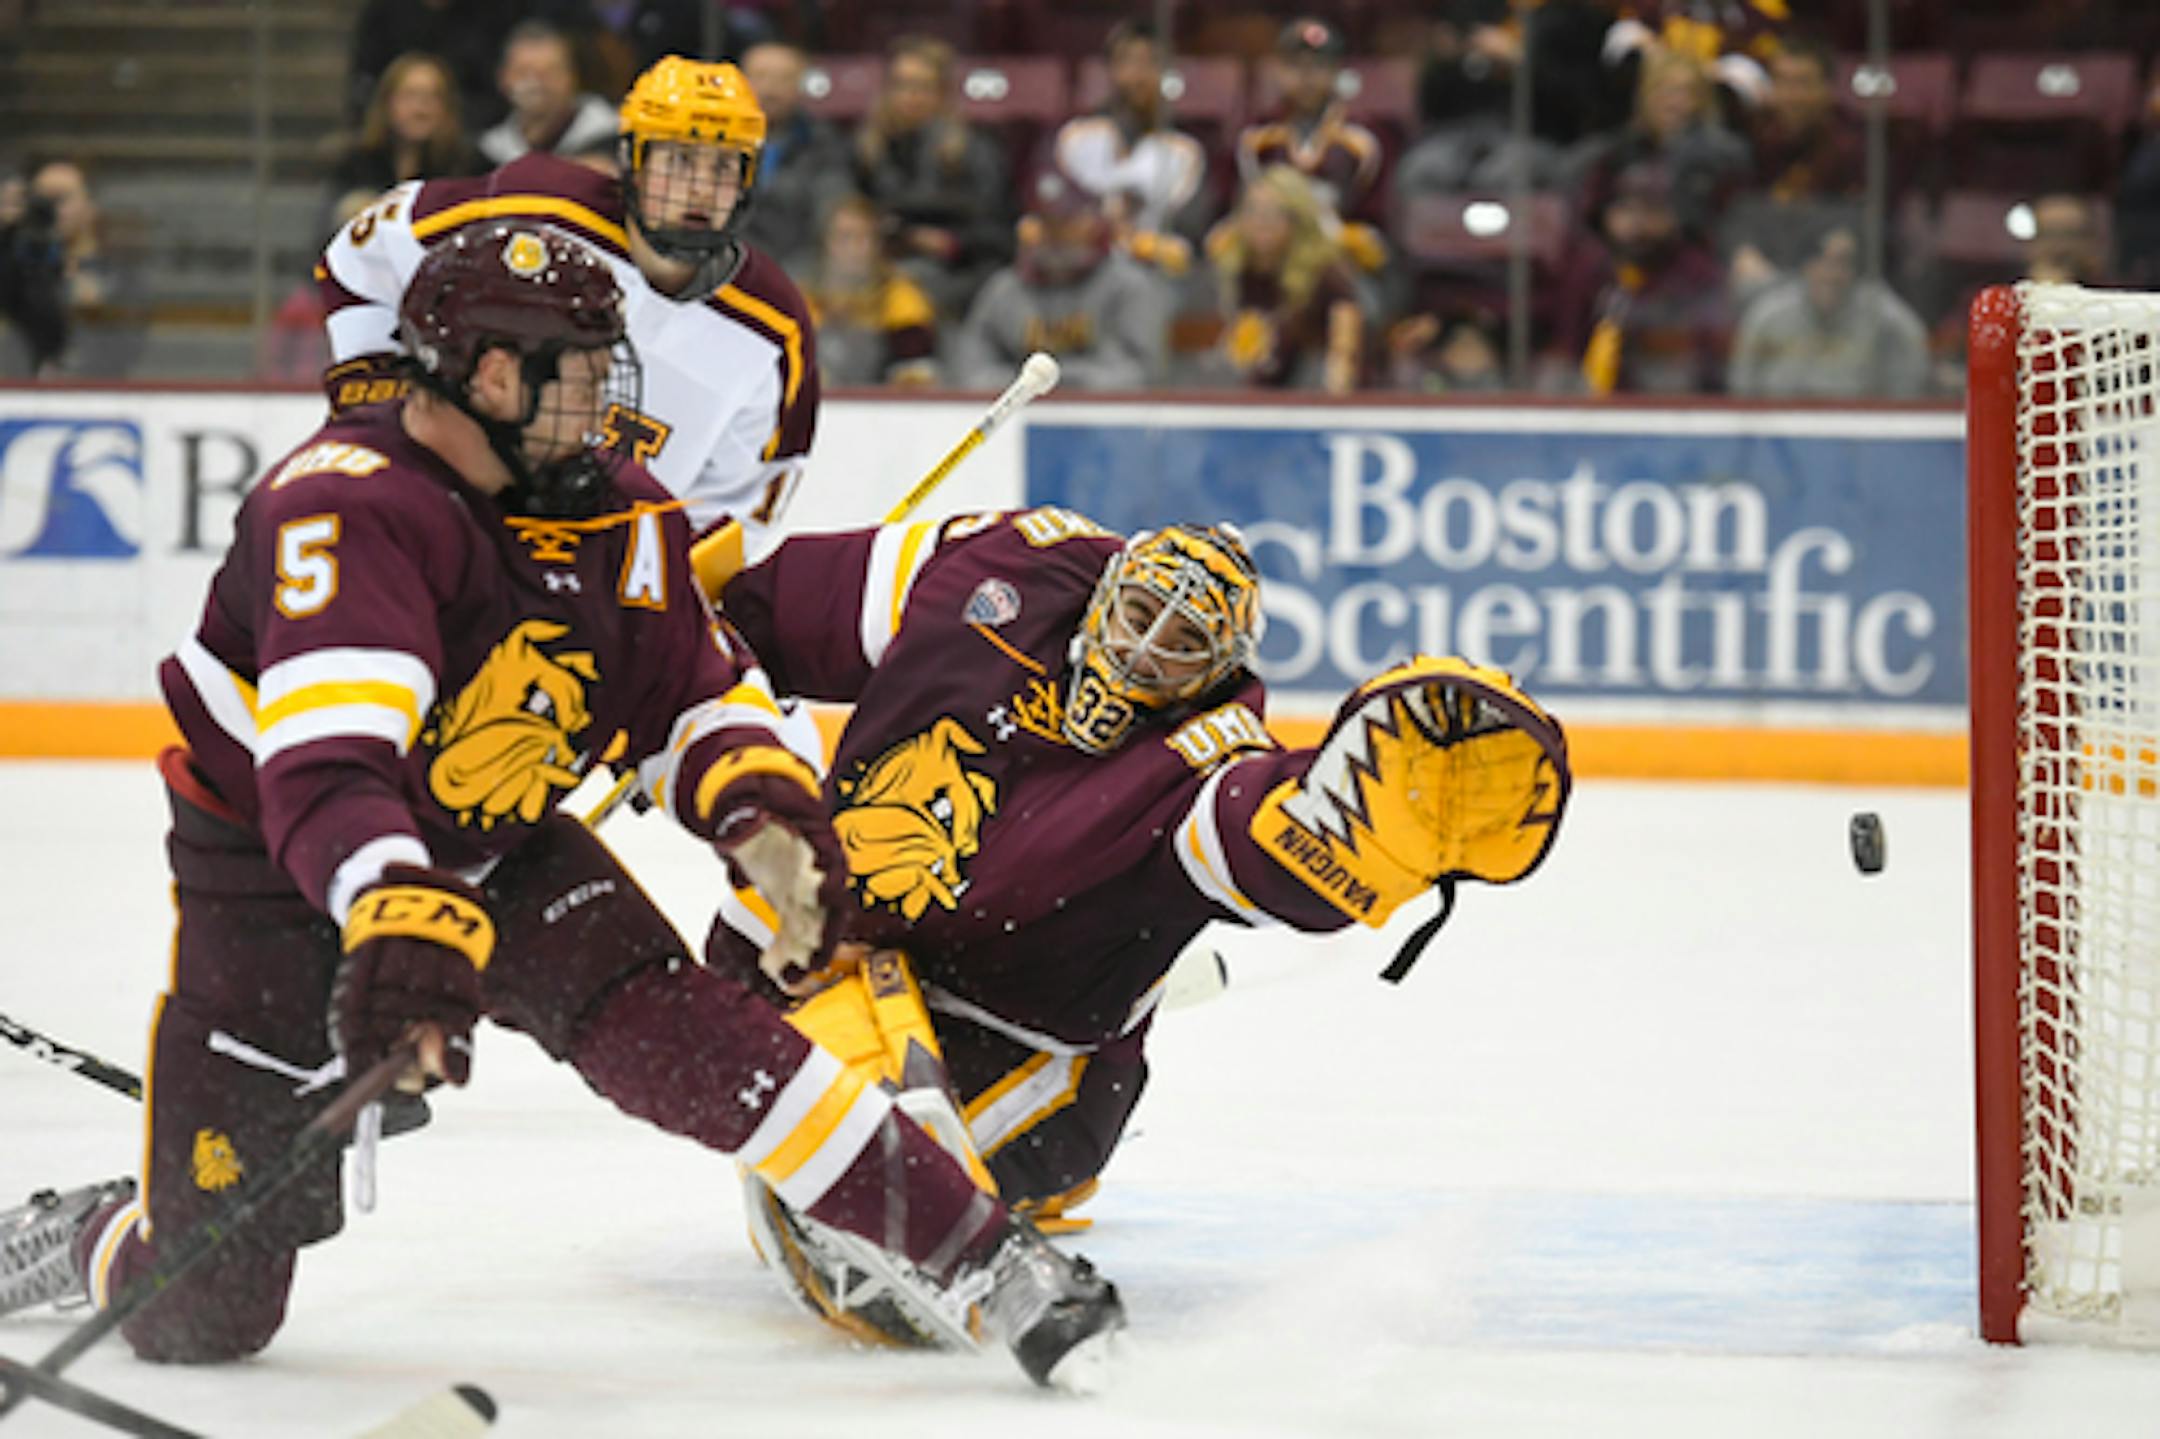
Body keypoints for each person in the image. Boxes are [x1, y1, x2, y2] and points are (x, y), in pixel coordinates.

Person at [0, 223, 1122, 1391]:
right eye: (578, 369)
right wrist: (398, 907)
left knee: (700, 1038)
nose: (605, 393)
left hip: (496, 845)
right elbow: (330, 771)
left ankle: (992, 1258)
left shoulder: (621, 515)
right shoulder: (349, 505)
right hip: (272, 876)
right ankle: (94, 1234)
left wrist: (765, 814)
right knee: (206, 1312)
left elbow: (696, 694)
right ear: (488, 374)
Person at [712, 512, 1571, 1338]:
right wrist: (676, 674)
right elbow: (786, 607)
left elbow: (1257, 839)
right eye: (1139, 612)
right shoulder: (1002, 568)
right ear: (1104, 592)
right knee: (761, 964)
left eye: (1183, 641)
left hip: (1024, 1047)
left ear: (1214, 673)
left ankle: (1019, 1165)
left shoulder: (1202, 768)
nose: (1146, 647)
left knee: (861, 1187)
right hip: (848, 944)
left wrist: (1361, 834)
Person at [319, 54, 817, 567]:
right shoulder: (538, 209)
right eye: (679, 161)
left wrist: (654, 579)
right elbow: (364, 251)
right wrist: (374, 393)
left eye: (724, 167)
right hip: (453, 524)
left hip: (593, 574)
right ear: (634, 162)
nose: (701, 189)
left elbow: (741, 509)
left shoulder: (774, 329)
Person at [951, 169, 1167, 392]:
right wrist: (1017, 385)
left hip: (1101, 410)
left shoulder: (1127, 287)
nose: (1054, 234)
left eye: (1067, 222)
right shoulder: (1005, 289)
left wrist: (1060, 382)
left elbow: (1140, 370)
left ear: (1093, 224)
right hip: (1019, 407)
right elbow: (973, 365)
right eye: (1045, 223)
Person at [849, 35, 1014, 321]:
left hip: (959, 276)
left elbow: (999, 233)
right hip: (878, 272)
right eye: (901, 85)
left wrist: (951, 243)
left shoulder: (976, 152)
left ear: (943, 94)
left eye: (923, 86)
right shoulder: (863, 152)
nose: (911, 96)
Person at [1235, 18, 1387, 275]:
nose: (1307, 77)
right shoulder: (1256, 137)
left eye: (1318, 66)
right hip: (1271, 262)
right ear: (1278, 71)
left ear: (1336, 72)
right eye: (1295, 66)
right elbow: (1238, 212)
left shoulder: (1364, 139)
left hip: (1341, 263)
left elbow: (1376, 221)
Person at [1204, 165, 1367, 394]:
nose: (1260, 222)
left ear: (1297, 219)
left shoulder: (1327, 273)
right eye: (1252, 211)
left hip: (1319, 386)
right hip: (1266, 384)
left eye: (1272, 213)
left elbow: (1344, 353)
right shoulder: (1237, 267)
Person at [1051, 22, 1213, 251]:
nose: (1138, 75)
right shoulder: (1075, 137)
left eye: (1150, 62)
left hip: (1154, 264)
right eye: (1127, 62)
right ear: (1110, 70)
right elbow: (1052, 202)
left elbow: (1192, 228)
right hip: (1086, 262)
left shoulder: (1185, 150)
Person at [1729, 221, 1929, 399]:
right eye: (1823, 260)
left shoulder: (1884, 317)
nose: (1832, 274)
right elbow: (1741, 386)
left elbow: (1913, 378)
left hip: (1858, 426)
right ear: (1806, 266)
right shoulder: (1769, 316)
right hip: (1779, 426)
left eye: (1843, 263)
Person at [0, 158, 142, 379]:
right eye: (37, 199)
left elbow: (125, 350)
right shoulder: (18, 271)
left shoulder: (119, 277)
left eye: (60, 199)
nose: (47, 209)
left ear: (91, 206)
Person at [326, 52, 486, 231]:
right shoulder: (357, 164)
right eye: (410, 96)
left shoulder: (470, 168)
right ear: (387, 103)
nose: (420, 108)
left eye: (433, 96)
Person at [801, 192, 940, 387]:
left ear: (877, 245)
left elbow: (916, 373)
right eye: (844, 237)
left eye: (863, 238)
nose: (853, 248)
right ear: (826, 243)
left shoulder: (901, 298)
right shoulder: (803, 299)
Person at [738, 40, 855, 271]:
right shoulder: (716, 142)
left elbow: (833, 205)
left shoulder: (824, 142)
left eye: (784, 79)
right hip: (729, 263)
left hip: (801, 267)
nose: (770, 90)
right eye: (760, 77)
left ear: (801, 86)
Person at [475, 20, 621, 167]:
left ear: (573, 77)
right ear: (503, 78)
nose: (537, 83)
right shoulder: (488, 153)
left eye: (551, 72)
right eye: (523, 72)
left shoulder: (616, 135)